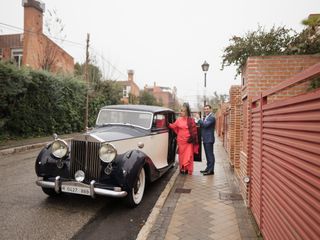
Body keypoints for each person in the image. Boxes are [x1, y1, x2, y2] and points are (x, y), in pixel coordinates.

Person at [169, 103, 199, 175]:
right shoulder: (178, 120)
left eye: (182, 111)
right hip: (181, 141)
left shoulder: (191, 120)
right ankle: (182, 168)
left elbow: (194, 131)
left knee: (189, 155)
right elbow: (173, 126)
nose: (180, 112)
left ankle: (188, 169)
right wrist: (165, 123)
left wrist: (192, 138)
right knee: (181, 155)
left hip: (189, 141)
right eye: (180, 111)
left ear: (186, 112)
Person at [196, 104, 216, 175]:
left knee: (210, 155)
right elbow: (202, 126)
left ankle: (211, 170)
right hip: (205, 139)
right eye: (205, 109)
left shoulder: (212, 117)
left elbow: (205, 125)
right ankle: (208, 169)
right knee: (207, 155)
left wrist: (199, 119)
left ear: (210, 109)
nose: (206, 110)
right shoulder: (206, 117)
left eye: (207, 109)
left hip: (209, 139)